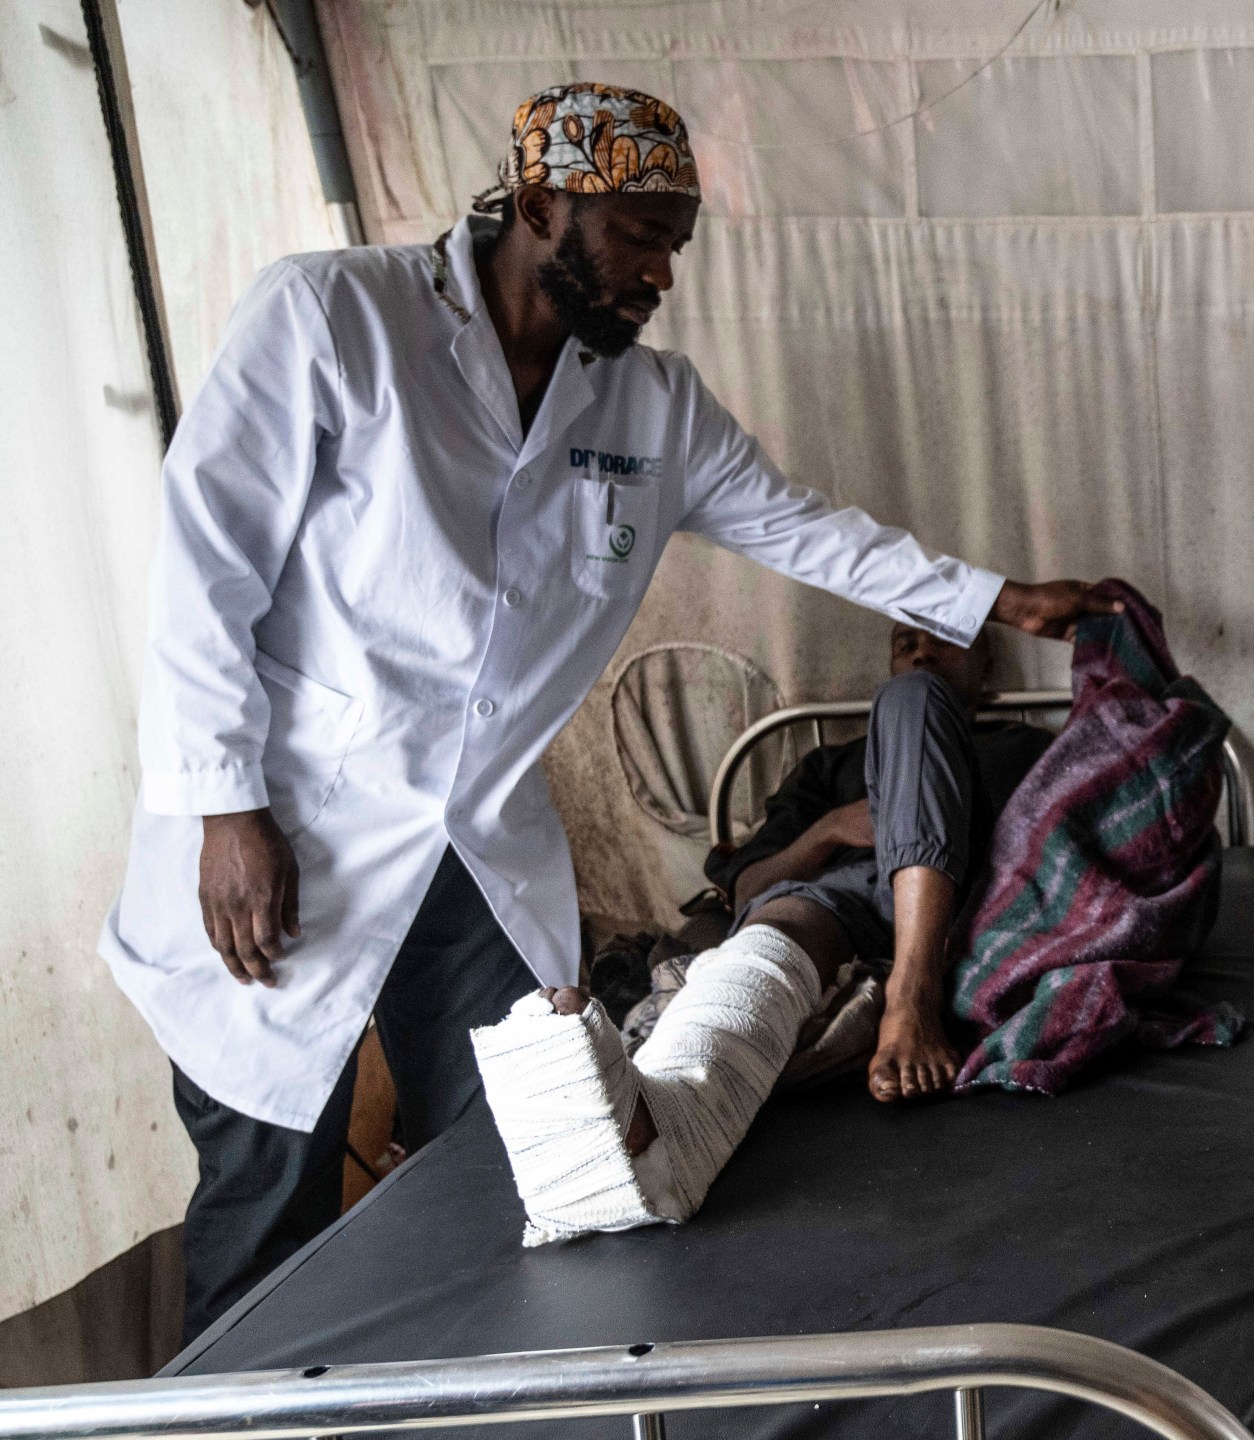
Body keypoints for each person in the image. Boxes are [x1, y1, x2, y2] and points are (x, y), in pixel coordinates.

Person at [98, 82, 1114, 1336]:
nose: (662, 275)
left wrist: (997, 597)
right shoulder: (333, 317)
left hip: (471, 848)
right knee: (267, 1191)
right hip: (283, 822)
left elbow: (805, 531)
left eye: (675, 245)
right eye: (641, 237)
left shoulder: (652, 407)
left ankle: (474, 1408)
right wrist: (223, 804)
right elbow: (208, 568)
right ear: (541, 206)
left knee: (517, 1158)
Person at [704, 621, 1050, 1101]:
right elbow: (748, 888)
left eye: (944, 641)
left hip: (966, 899)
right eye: (906, 645)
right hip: (840, 899)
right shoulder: (831, 765)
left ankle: (911, 996)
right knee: (779, 928)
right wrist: (830, 829)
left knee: (914, 697)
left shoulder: (1027, 750)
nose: (923, 654)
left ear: (987, 663)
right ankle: (718, 1033)